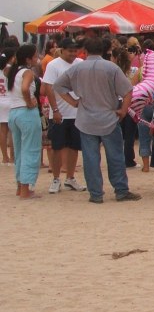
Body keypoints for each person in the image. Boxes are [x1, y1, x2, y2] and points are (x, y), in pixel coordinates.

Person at [52, 37, 141, 203]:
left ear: (85, 51)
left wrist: (73, 102)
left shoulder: (77, 68)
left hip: (86, 119)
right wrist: (123, 110)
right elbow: (128, 91)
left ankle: (95, 193)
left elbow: (58, 85)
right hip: (109, 117)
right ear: (104, 50)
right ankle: (121, 190)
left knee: (90, 158)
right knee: (115, 156)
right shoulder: (111, 68)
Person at [41, 38, 86, 192]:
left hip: (76, 113)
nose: (73, 54)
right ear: (63, 50)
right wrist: (55, 110)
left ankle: (70, 177)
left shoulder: (80, 63)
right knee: (57, 147)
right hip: (59, 112)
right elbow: (49, 88)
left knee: (74, 147)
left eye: (75, 51)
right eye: (70, 51)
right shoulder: (53, 65)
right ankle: (55, 178)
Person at [6, 44, 43, 199]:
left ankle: (20, 185)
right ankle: (26, 189)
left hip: (13, 112)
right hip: (26, 112)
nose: (37, 58)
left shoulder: (12, 72)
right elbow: (25, 88)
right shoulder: (27, 72)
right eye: (35, 56)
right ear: (28, 59)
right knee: (31, 149)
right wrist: (29, 102)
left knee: (19, 150)